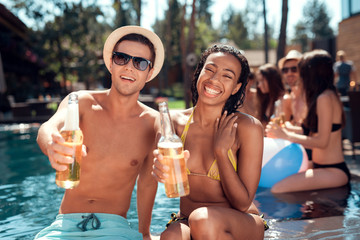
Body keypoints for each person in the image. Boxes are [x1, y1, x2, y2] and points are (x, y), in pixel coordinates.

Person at [35, 26, 165, 240]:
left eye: (140, 62)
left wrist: (145, 233)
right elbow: (48, 128)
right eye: (122, 58)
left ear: (149, 73)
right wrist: (52, 144)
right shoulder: (81, 102)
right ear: (111, 63)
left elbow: (147, 182)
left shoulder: (152, 122)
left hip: (116, 228)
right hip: (64, 226)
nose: (129, 67)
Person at [152, 45, 266, 240]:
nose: (214, 80)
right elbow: (152, 177)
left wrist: (221, 152)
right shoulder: (173, 124)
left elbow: (242, 203)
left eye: (227, 76)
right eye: (210, 70)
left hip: (241, 222)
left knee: (203, 219)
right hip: (188, 219)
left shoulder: (248, 128)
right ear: (199, 73)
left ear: (236, 87)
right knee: (171, 237)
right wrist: (158, 170)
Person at [266, 49, 350, 194]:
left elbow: (322, 141)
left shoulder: (325, 97)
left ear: (311, 73)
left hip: (333, 169)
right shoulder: (324, 95)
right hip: (317, 166)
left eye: (301, 71)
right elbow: (311, 131)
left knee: (278, 189)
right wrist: (283, 131)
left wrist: (285, 135)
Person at [278, 50, 307, 126]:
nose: (289, 73)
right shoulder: (290, 97)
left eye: (294, 69)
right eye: (285, 70)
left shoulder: (310, 96)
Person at [255, 63, 286, 128]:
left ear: (272, 80)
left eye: (262, 81)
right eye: (258, 82)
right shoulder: (266, 100)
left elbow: (282, 127)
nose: (259, 85)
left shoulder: (284, 100)